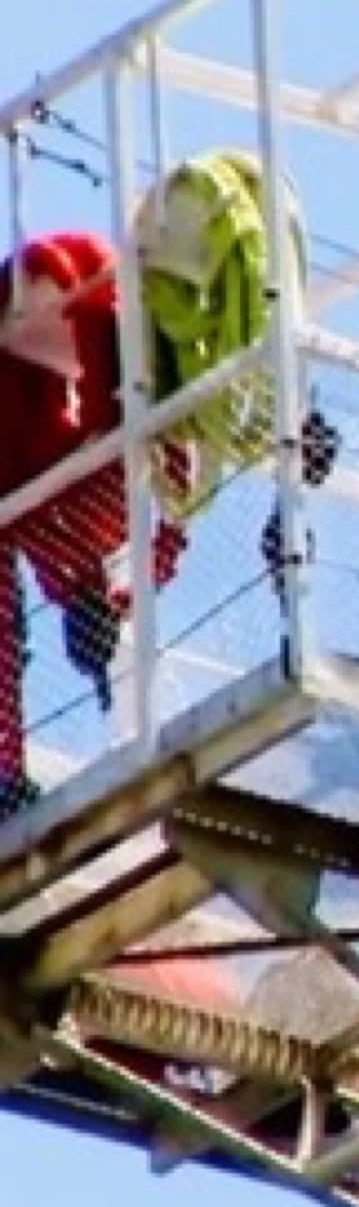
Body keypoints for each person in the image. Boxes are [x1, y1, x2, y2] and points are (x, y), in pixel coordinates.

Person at [0, 232, 192, 817]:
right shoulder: (107, 553)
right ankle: (71, 292)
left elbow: (177, 508)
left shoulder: (105, 553)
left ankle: (68, 291)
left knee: (97, 405)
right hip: (46, 446)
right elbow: (176, 502)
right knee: (102, 403)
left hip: (41, 446)